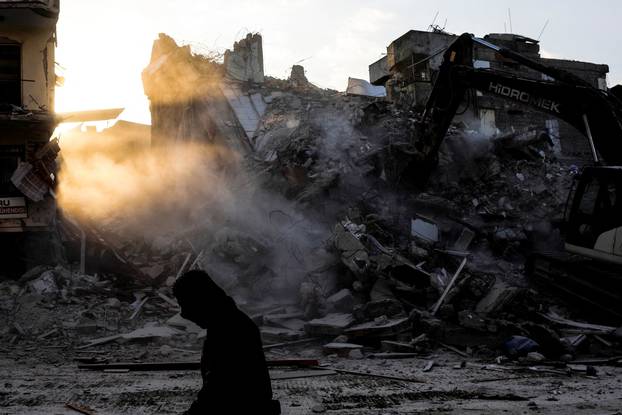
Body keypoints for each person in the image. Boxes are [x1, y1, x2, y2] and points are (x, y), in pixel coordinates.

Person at [173, 270, 281, 414]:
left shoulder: (228, 330)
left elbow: (217, 389)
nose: (184, 314)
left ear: (200, 301)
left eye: (184, 304)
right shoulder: (227, 322)